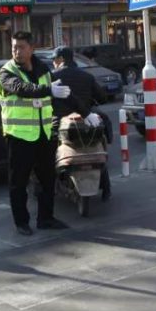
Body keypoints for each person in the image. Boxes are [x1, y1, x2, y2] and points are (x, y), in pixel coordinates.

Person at [0, 31, 71, 236]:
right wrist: (48, 90)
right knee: (18, 182)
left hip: (43, 133)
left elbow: (60, 92)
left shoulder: (43, 69)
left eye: (21, 47)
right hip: (19, 136)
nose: (16, 51)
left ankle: (46, 218)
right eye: (14, 47)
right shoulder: (6, 72)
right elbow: (21, 88)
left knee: (47, 179)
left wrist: (86, 113)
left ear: (31, 48)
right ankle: (21, 222)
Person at [51, 47, 112, 201]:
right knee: (99, 149)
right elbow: (102, 98)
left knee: (48, 151)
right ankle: (106, 188)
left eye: (54, 59)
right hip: (86, 123)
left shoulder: (53, 77)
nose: (53, 62)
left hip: (60, 124)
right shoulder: (87, 76)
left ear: (61, 59)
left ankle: (48, 186)